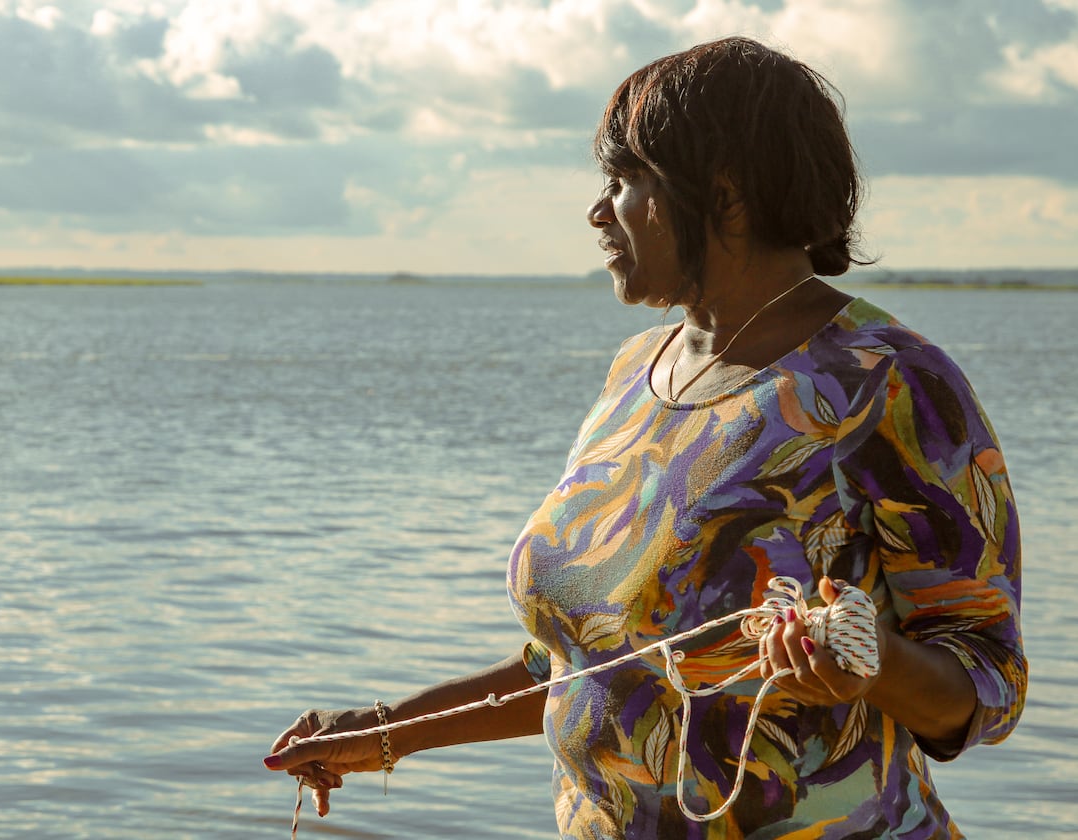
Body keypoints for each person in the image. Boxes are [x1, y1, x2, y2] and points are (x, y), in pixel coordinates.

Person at [264, 36, 1026, 838]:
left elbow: (989, 680)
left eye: (625, 182)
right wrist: (385, 734)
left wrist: (869, 669)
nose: (599, 212)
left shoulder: (888, 380)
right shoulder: (638, 373)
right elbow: (597, 661)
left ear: (723, 193)